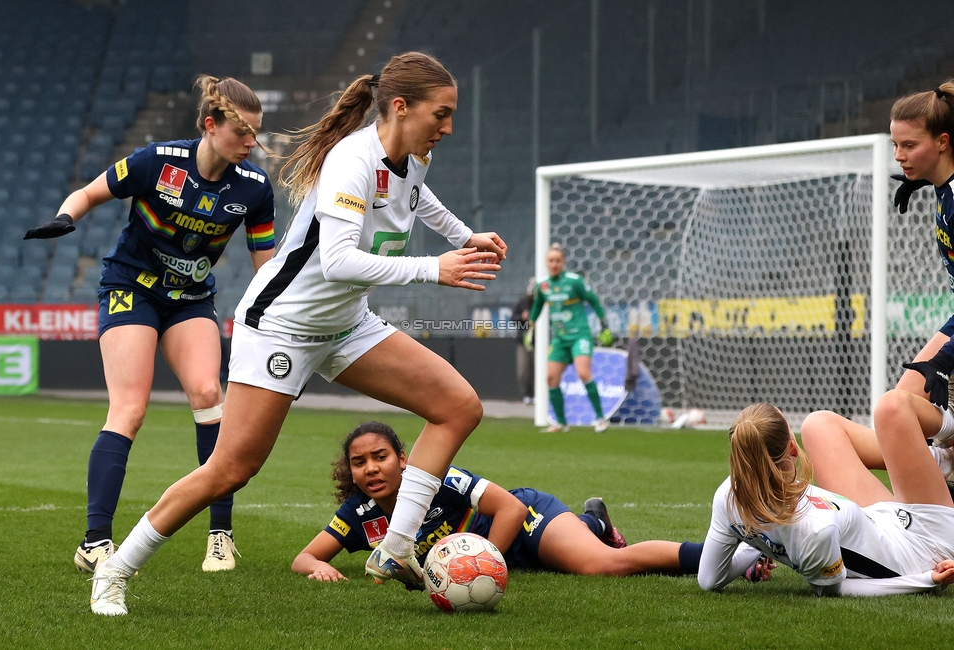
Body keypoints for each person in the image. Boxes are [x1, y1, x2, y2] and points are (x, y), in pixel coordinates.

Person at [87, 51, 508, 616]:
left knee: (458, 406)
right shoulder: (350, 160)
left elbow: (414, 197)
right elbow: (337, 262)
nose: (449, 127)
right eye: (442, 114)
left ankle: (396, 547)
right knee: (230, 470)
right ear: (402, 108)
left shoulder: (410, 153)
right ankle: (114, 570)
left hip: (346, 325)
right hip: (282, 327)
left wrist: (465, 233)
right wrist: (436, 267)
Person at [24, 75, 276, 574]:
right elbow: (90, 192)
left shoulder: (254, 187)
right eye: (243, 133)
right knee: (130, 409)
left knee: (209, 394)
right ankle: (95, 542)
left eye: (256, 133)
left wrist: (274, 317)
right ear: (210, 124)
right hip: (130, 288)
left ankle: (220, 535)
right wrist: (65, 217)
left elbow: (264, 265)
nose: (253, 143)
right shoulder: (157, 160)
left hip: (190, 300)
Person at [292, 422, 749, 581]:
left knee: (603, 565)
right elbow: (305, 556)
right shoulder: (359, 514)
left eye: (380, 457)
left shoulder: (435, 476)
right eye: (359, 462)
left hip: (526, 517)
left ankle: (739, 559)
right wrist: (319, 566)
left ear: (404, 459)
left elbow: (508, 508)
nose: (371, 469)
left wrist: (474, 561)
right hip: (502, 554)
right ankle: (593, 521)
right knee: (572, 557)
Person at [698, 401, 954, 596]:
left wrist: (759, 544)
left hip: (880, 519)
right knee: (892, 407)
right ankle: (948, 433)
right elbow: (838, 589)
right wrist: (926, 579)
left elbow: (709, 579)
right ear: (791, 447)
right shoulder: (817, 528)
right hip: (926, 546)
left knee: (817, 424)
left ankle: (936, 460)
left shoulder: (728, 495)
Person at [889, 80, 954, 409]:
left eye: (910, 145)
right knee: (901, 404)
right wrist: (924, 180)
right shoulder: (945, 186)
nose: (899, 156)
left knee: (904, 411)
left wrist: (944, 362)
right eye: (895, 145)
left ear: (943, 142)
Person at [529, 243, 614, 433]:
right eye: (551, 260)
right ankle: (561, 423)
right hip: (559, 339)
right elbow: (537, 307)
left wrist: (604, 324)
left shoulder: (575, 281)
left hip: (579, 335)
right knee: (551, 378)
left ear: (564, 262)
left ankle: (601, 419)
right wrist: (529, 329)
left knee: (583, 373)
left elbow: (593, 300)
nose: (554, 264)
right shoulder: (543, 285)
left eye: (558, 260)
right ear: (546, 262)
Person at [510, 277, 536, 404]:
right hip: (523, 341)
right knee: (523, 370)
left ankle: (538, 394)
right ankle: (527, 394)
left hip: (539, 342)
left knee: (537, 369)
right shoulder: (523, 303)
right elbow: (513, 318)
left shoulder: (543, 303)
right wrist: (522, 317)